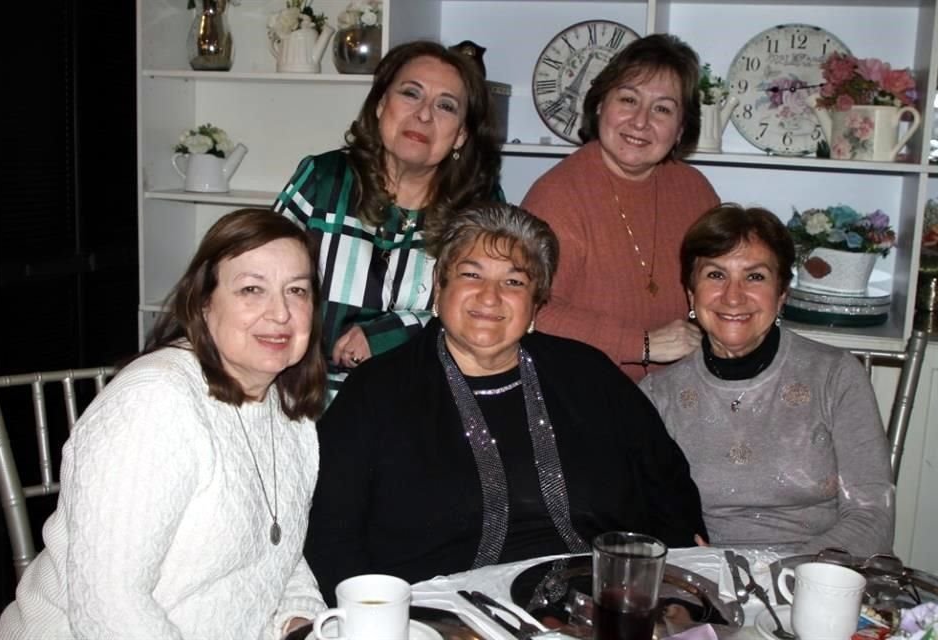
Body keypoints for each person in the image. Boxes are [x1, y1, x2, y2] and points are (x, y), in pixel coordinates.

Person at [304, 202, 706, 603]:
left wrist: (668, 595)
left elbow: (669, 488)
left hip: (599, 610)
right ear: (440, 288)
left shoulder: (589, 375)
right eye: (471, 274)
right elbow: (330, 537)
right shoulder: (376, 393)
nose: (490, 297)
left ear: (536, 304)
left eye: (514, 282)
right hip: (444, 618)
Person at [0, 209, 328, 639]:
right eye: (251, 289)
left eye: (297, 291)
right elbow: (111, 608)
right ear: (204, 303)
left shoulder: (287, 407)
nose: (280, 313)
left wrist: (302, 621)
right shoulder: (154, 402)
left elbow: (278, 550)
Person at [639, 204, 895, 556]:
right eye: (715, 275)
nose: (733, 296)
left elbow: (871, 517)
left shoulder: (835, 376)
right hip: (704, 583)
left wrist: (781, 573)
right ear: (690, 294)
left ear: (782, 294)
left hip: (823, 577)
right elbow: (644, 518)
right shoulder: (657, 396)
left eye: (755, 276)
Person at [272, 40, 504, 396]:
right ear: (381, 105)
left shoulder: (480, 207)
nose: (424, 115)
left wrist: (394, 332)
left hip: (420, 402)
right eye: (411, 94)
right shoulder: (324, 179)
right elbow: (259, 280)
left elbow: (491, 315)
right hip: (308, 398)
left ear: (460, 135)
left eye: (445, 106)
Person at [521, 34, 720, 382]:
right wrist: (641, 344)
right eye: (628, 99)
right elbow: (532, 310)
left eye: (662, 109)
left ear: (680, 129)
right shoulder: (557, 195)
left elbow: (719, 287)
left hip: (682, 393)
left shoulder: (695, 190)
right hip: (582, 393)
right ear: (600, 105)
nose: (640, 121)